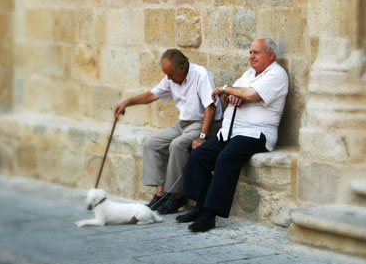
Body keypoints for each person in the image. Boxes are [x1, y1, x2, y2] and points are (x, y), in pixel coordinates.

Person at [176, 38, 289, 232]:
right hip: (231, 132)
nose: (251, 56)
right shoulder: (249, 74)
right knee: (199, 155)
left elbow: (252, 94)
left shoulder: (277, 74)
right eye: (250, 52)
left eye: (256, 52)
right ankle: (200, 205)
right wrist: (233, 94)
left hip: (256, 133)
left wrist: (226, 89)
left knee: (225, 159)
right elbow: (235, 94)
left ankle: (209, 216)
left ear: (271, 55)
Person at [113, 49, 222, 215]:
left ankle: (177, 196)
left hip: (203, 123)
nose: (168, 78)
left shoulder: (201, 75)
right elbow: (151, 95)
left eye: (170, 74)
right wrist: (127, 102)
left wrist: (202, 136)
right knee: (152, 144)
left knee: (177, 145)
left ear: (182, 69)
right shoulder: (172, 77)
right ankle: (161, 194)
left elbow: (210, 108)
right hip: (184, 123)